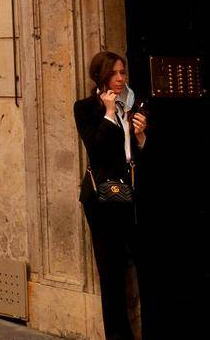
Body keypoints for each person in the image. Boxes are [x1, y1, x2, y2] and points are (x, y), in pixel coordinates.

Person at [75, 50, 149, 340]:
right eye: (114, 74)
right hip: (103, 198)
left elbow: (132, 155)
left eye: (123, 73)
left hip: (129, 195)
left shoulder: (130, 106)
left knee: (134, 265)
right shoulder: (86, 108)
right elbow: (96, 149)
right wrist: (107, 115)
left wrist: (141, 138)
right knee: (111, 273)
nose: (120, 79)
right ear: (101, 76)